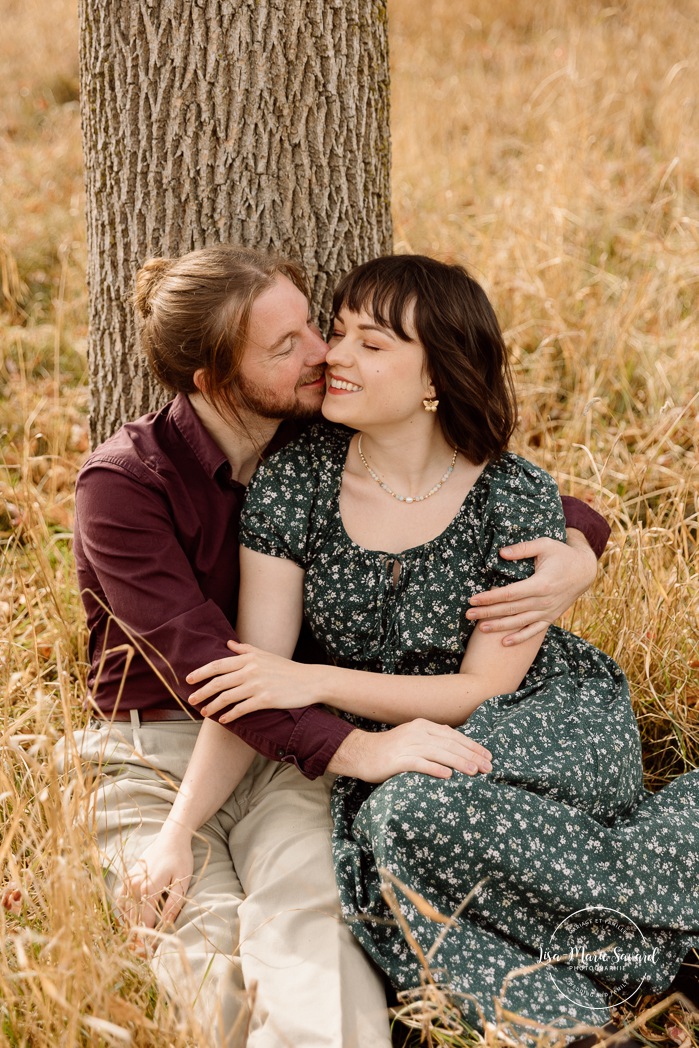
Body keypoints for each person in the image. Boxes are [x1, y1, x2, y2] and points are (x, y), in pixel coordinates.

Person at [66, 245, 608, 1047]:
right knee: (201, 945)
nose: (324, 355)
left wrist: (580, 546)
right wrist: (356, 751)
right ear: (217, 380)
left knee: (313, 926)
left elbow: (461, 473)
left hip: (292, 745)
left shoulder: (313, 428)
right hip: (157, 756)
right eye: (286, 347)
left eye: (312, 327)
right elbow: (224, 678)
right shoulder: (125, 487)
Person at [175, 255, 699, 1044]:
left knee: (407, 822)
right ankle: (589, 1004)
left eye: (371, 344)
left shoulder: (510, 493)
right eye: (339, 331)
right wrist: (179, 831)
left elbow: (479, 689)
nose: (335, 357)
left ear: (435, 378)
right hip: (407, 745)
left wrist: (307, 678)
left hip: (539, 721)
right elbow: (256, 678)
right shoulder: (296, 481)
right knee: (389, 847)